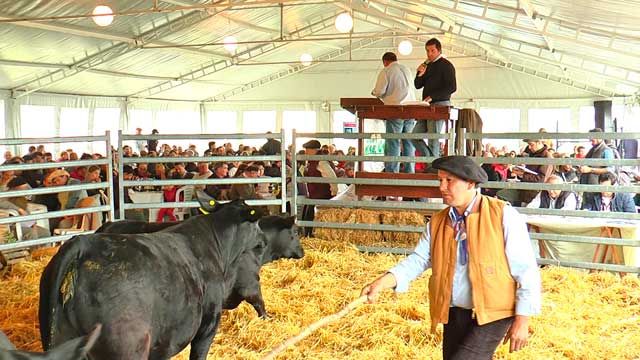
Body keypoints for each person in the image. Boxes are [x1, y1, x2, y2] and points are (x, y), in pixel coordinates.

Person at [360, 156, 541, 360]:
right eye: (440, 180)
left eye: (449, 181)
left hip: (495, 310)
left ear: (471, 183)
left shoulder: (502, 215)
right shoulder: (438, 222)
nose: (442, 187)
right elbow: (418, 260)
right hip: (455, 308)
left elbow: (526, 269)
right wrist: (383, 282)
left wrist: (522, 319)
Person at [371, 52, 416, 173]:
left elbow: (379, 91)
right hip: (411, 109)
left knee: (393, 142)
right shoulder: (406, 69)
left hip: (395, 109)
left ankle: (392, 172)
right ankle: (409, 172)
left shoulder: (386, 71)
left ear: (385, 62)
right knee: (408, 142)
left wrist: (374, 92)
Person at [413, 38, 457, 158]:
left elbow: (452, 87)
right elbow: (417, 85)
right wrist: (419, 74)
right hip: (427, 106)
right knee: (414, 135)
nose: (429, 53)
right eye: (427, 51)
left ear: (439, 50)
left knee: (433, 138)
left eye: (432, 50)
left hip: (440, 105)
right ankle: (431, 162)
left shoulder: (446, 65)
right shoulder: (427, 65)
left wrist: (432, 97)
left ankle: (433, 165)